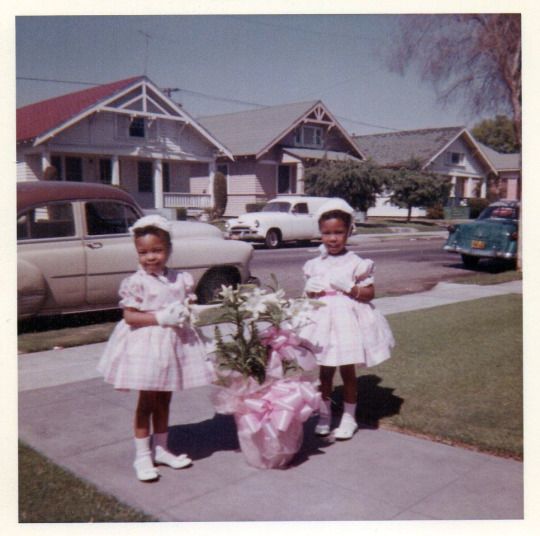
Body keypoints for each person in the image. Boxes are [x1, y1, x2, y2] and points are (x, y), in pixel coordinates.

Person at [97, 215, 216, 481]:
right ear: (137, 253)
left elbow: (186, 306)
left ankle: (161, 449)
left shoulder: (180, 279)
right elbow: (130, 316)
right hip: (146, 344)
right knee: (147, 401)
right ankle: (142, 456)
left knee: (164, 397)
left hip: (173, 345)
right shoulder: (136, 282)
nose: (151, 257)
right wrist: (160, 318)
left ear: (169, 249)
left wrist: (186, 314)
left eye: (157, 250)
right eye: (144, 252)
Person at [301, 199, 394, 440]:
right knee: (325, 371)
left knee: (348, 370)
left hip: (348, 321)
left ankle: (349, 418)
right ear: (320, 233)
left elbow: (369, 293)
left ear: (349, 231)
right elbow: (311, 295)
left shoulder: (357, 263)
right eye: (327, 233)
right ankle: (324, 415)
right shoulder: (314, 264)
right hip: (322, 321)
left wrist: (350, 287)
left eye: (339, 232)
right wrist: (309, 290)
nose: (333, 238)